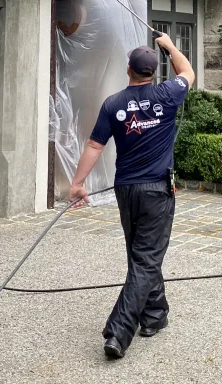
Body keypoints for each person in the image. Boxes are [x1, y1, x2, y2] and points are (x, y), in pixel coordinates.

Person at [70, 34, 195, 360]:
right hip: (156, 191)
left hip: (126, 190)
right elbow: (188, 72)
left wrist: (77, 183)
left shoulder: (114, 103)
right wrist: (169, 45)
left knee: (141, 255)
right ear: (153, 72)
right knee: (146, 258)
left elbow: (95, 145)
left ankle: (155, 315)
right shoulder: (168, 94)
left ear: (129, 70)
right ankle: (119, 331)